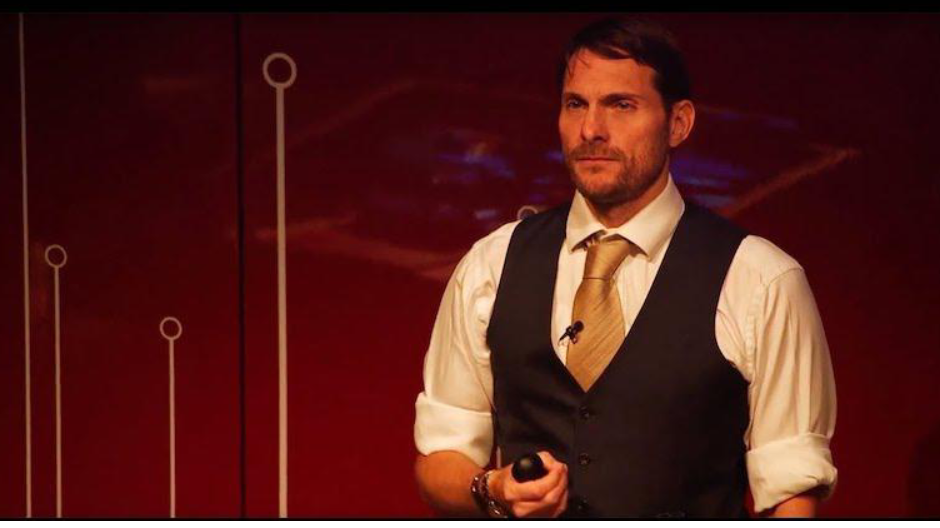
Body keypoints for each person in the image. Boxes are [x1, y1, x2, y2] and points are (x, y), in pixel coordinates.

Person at [412, 16, 837, 518]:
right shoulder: (491, 265)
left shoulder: (761, 280)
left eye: (621, 105)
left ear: (678, 123)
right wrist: (493, 489)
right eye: (576, 104)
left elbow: (791, 491)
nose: (591, 130)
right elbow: (440, 459)